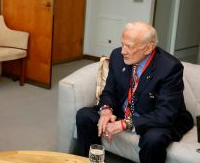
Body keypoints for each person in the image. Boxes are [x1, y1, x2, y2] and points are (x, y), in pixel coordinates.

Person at [76, 21, 193, 163]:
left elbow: (164, 114)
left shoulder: (169, 67)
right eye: (122, 44)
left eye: (129, 46)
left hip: (155, 117)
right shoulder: (117, 56)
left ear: (148, 48)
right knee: (84, 115)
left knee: (153, 139)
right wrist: (106, 110)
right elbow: (109, 91)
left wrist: (125, 124)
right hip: (123, 111)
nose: (122, 51)